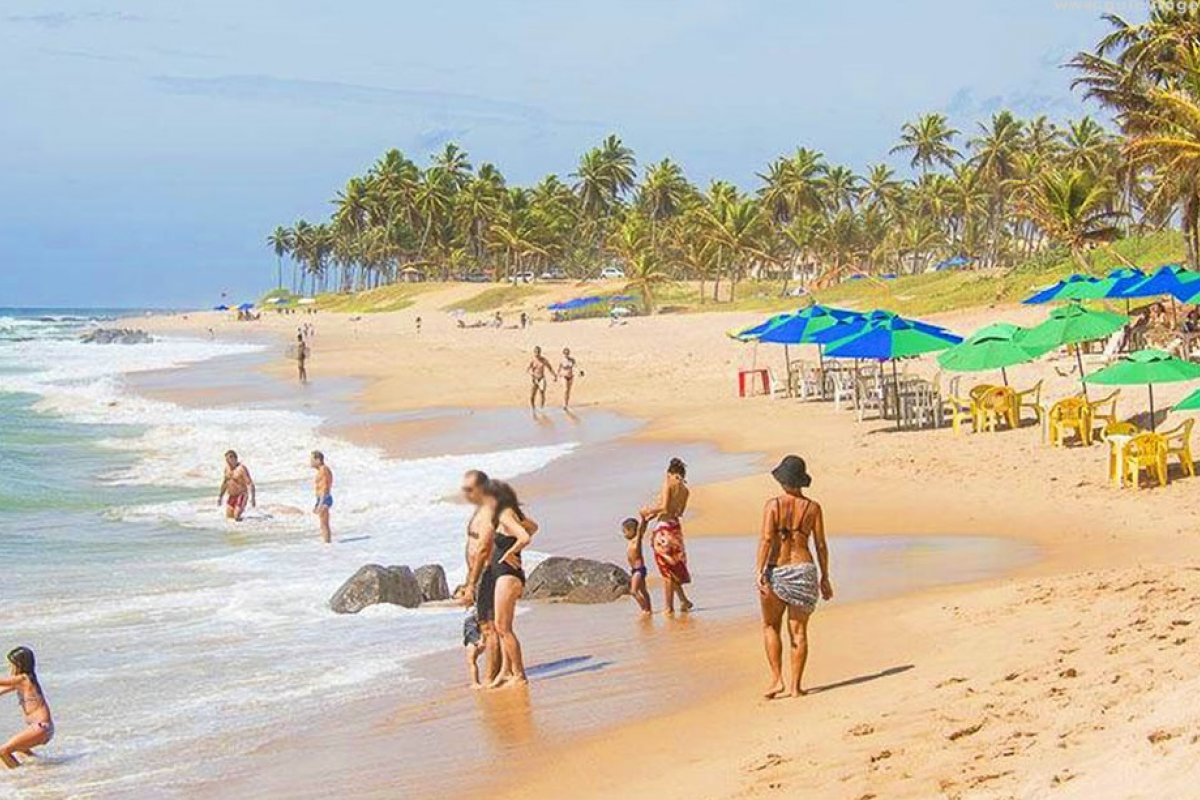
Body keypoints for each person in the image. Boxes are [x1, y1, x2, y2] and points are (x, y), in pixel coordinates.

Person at [755, 456, 833, 699]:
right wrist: (825, 576)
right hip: (804, 569)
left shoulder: (773, 505)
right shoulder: (813, 508)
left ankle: (777, 679)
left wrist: (759, 570)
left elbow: (767, 539)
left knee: (770, 625)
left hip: (777, 570)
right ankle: (795, 687)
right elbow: (820, 544)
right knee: (798, 631)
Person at [480, 480, 538, 688]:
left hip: (507, 575)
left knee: (503, 628)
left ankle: (519, 675)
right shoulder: (510, 513)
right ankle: (508, 671)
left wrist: (510, 552)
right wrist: (513, 548)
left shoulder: (505, 513)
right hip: (507, 574)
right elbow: (533, 528)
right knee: (504, 626)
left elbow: (524, 536)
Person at [461, 469, 501, 688]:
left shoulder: (488, 512)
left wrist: (471, 583)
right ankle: (498, 672)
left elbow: (484, 548)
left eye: (469, 489)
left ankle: (490, 676)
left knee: (489, 628)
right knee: (490, 626)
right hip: (479, 574)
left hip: (486, 574)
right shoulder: (482, 510)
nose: (466, 493)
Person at [641, 457, 693, 614]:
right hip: (675, 529)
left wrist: (648, 511)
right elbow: (679, 512)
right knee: (672, 569)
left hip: (664, 530)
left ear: (669, 472)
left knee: (666, 571)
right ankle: (684, 601)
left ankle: (668, 608)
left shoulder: (668, 483)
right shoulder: (685, 490)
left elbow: (663, 507)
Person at [0, 647, 54, 769]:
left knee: (3, 751)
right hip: (44, 728)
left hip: (40, 727)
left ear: (19, 665)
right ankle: (43, 772)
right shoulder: (24, 682)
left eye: (12, 665)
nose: (10, 668)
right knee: (21, 751)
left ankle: (19, 778)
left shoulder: (24, 678)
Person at [622, 517, 652, 615]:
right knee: (643, 591)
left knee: (633, 591)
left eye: (625, 531)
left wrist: (644, 520)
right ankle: (649, 608)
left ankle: (645, 609)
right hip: (635, 570)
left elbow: (641, 531)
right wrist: (646, 520)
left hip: (639, 570)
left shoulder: (636, 541)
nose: (624, 534)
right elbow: (641, 530)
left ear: (631, 530)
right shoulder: (631, 542)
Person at [217, 450, 256, 522]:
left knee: (236, 516)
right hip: (231, 496)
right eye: (226, 460)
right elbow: (225, 483)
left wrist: (253, 498)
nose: (227, 462)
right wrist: (220, 496)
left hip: (241, 495)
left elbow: (250, 483)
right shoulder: (227, 469)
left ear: (234, 458)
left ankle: (246, 528)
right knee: (229, 518)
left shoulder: (241, 469)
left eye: (228, 459)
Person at [310, 451, 334, 544]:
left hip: (324, 498)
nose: (310, 462)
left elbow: (324, 487)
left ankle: (327, 544)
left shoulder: (324, 470)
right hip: (321, 498)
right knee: (323, 523)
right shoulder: (321, 470)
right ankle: (326, 543)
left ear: (318, 460)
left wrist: (320, 503)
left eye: (312, 460)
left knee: (324, 523)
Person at [527, 346, 557, 411]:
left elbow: (550, 368)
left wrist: (554, 375)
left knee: (542, 393)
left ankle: (541, 408)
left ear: (540, 352)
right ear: (534, 352)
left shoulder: (543, 360)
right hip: (534, 379)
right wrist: (531, 373)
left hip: (541, 378)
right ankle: (533, 408)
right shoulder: (533, 360)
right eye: (536, 352)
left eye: (538, 352)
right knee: (532, 395)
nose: (537, 353)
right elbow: (528, 369)